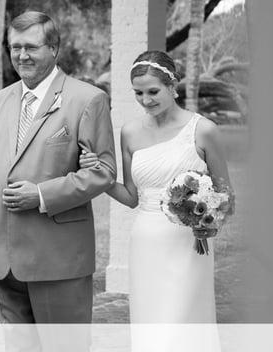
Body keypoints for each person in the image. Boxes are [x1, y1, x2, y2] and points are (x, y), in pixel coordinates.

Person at [79, 50, 230, 351]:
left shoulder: (204, 130)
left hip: (190, 244)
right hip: (146, 241)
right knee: (152, 322)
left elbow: (226, 194)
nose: (146, 100)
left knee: (183, 321)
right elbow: (132, 197)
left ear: (173, 86)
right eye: (138, 93)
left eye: (153, 91)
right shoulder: (130, 133)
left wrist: (207, 220)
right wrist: (99, 175)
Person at [0, 11, 116, 329]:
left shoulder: (88, 99)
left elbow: (104, 171)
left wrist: (40, 194)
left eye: (31, 47)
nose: (21, 55)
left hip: (58, 260)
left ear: (53, 48)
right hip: (4, 263)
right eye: (15, 47)